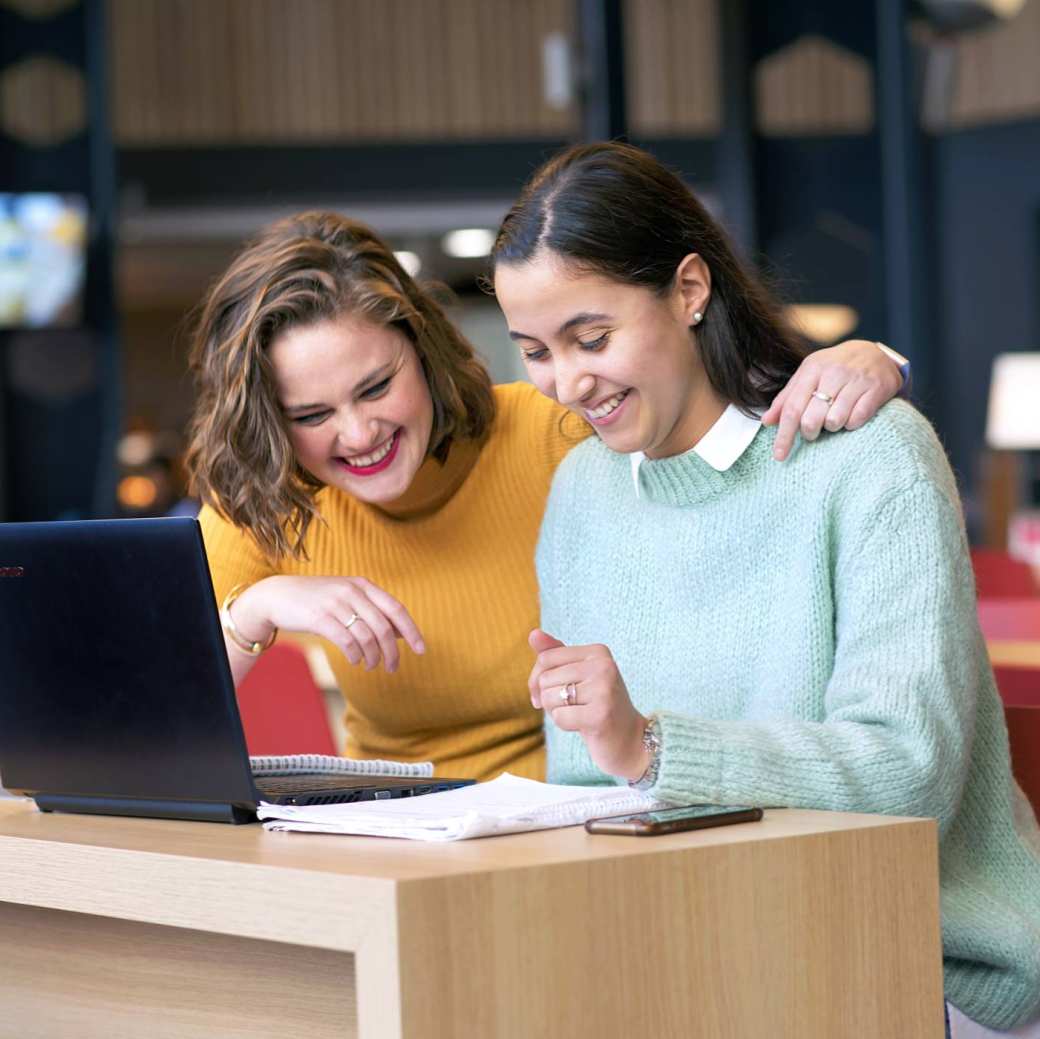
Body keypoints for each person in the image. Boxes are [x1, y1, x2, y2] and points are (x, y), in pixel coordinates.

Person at [491, 141, 1040, 1034]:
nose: (567, 381)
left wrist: (654, 748)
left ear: (690, 290)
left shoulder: (871, 459)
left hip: (922, 964)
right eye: (535, 351)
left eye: (591, 338)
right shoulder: (582, 495)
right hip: (700, 956)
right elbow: (594, 793)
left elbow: (908, 776)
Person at [185, 210, 905, 784]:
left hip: (581, 825)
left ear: (425, 349)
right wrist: (257, 608)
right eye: (311, 416)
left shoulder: (556, 434)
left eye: (376, 387)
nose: (359, 431)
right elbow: (144, 721)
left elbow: (732, 440)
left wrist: (873, 359)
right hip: (394, 841)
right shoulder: (273, 503)